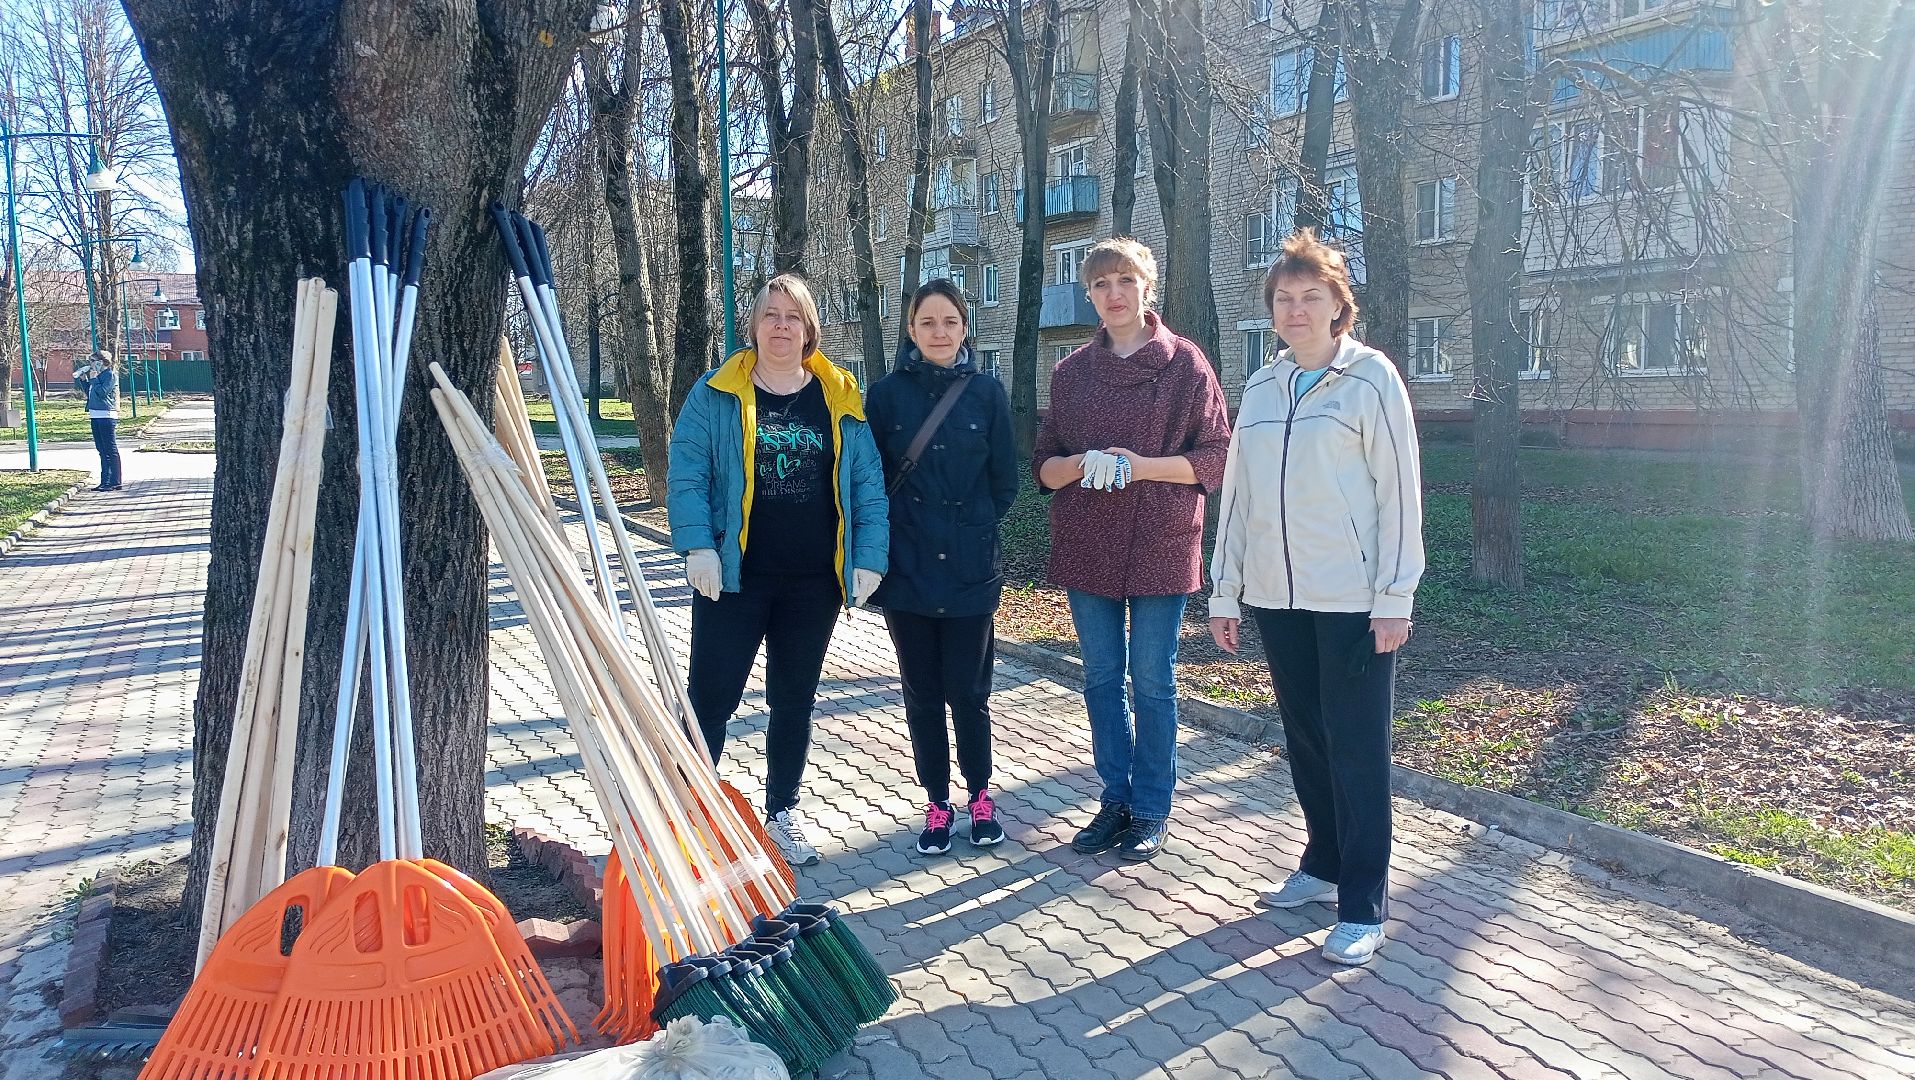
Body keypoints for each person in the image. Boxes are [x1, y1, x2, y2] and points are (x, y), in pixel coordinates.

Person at [1207, 229, 1425, 966]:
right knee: (1304, 740)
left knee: (1356, 749)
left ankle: (1363, 901)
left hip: (1353, 600)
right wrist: (1225, 588)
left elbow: (1400, 494)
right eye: (1284, 299)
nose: (1296, 310)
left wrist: (1394, 596)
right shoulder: (1262, 387)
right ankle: (1322, 862)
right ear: (1271, 312)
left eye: (1311, 297)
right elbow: (1236, 497)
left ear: (1339, 308)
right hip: (1275, 595)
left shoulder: (1370, 381)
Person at [666, 273, 888, 867]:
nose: (782, 326)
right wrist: (697, 546)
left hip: (813, 583)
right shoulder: (716, 392)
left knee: (794, 698)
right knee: (711, 698)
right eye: (772, 315)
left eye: (794, 317)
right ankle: (690, 816)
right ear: (755, 325)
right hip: (735, 577)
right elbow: (686, 471)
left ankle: (781, 816)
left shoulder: (838, 392)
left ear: (809, 328)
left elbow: (867, 483)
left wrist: (868, 557)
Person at [1033, 237, 1231, 862]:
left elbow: (1218, 458)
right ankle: (1113, 797)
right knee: (1098, 679)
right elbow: (1042, 465)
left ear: (1148, 288)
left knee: (1152, 681)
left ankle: (1150, 808)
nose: (1113, 294)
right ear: (1090, 296)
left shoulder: (1185, 365)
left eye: (1124, 281)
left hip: (1160, 543)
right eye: (1100, 285)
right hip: (1088, 542)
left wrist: (1143, 467)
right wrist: (1071, 468)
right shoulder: (1070, 374)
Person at [865, 279, 1018, 855]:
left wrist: (973, 526)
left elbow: (1004, 480)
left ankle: (980, 796)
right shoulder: (885, 396)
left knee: (969, 692)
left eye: (949, 321)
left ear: (964, 327)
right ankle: (936, 802)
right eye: (927, 322)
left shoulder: (986, 394)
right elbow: (871, 481)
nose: (938, 332)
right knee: (922, 693)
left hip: (971, 571)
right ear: (911, 329)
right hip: (906, 571)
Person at [74, 350, 122, 491]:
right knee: (101, 449)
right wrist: (84, 381)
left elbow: (102, 393)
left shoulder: (110, 375)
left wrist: (94, 379)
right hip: (95, 414)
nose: (91, 364)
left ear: (101, 362)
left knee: (110, 449)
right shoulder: (99, 375)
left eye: (93, 361)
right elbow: (91, 392)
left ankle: (115, 481)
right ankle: (104, 481)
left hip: (106, 415)